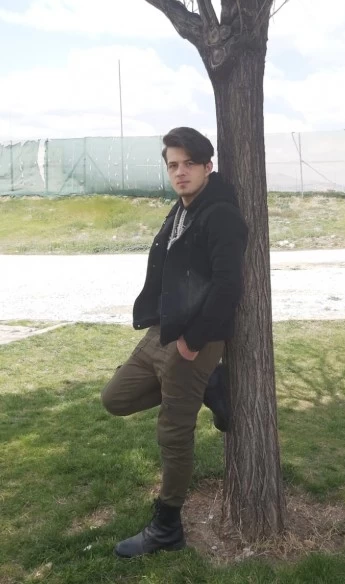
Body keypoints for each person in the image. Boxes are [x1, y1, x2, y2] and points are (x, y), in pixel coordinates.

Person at [101, 127, 248, 558]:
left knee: (173, 433)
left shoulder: (220, 214)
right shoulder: (182, 207)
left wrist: (193, 341)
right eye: (173, 165)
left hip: (194, 341)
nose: (180, 172)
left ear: (207, 166)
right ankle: (208, 386)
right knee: (115, 398)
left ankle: (167, 526)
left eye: (189, 164)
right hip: (162, 332)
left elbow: (228, 286)